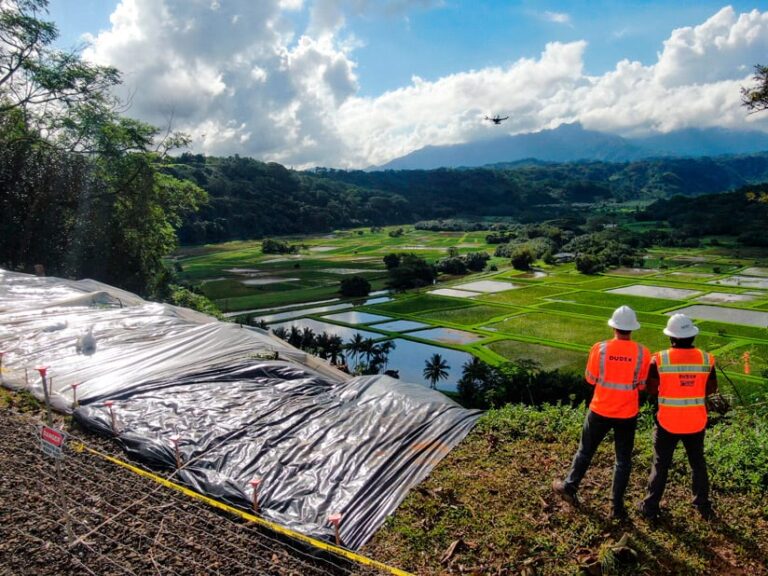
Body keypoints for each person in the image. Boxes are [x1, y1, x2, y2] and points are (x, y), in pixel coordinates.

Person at [553, 305, 650, 519]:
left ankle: (570, 486)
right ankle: (616, 507)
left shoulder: (600, 348)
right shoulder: (643, 353)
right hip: (627, 413)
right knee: (623, 460)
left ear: (613, 327)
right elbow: (642, 385)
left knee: (585, 451)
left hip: (600, 409)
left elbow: (590, 378)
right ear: (632, 328)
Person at [638, 313, 718, 522]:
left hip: (668, 422)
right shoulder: (706, 359)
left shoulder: (660, 359)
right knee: (697, 462)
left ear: (670, 337)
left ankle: (650, 507)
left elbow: (651, 388)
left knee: (661, 464)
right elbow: (711, 388)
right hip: (695, 421)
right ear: (692, 336)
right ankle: (702, 503)